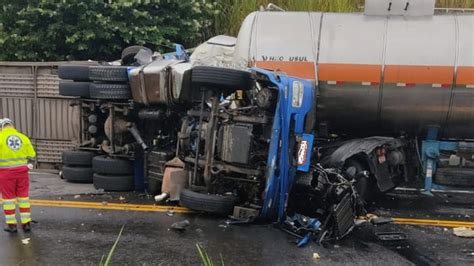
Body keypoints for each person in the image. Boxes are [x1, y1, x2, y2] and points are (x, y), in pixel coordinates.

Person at [0, 118, 36, 233]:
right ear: (12, 126)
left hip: (6, 174)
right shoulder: (23, 137)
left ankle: (12, 225)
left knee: (8, 199)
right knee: (23, 197)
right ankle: (26, 224)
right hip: (22, 172)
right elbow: (32, 154)